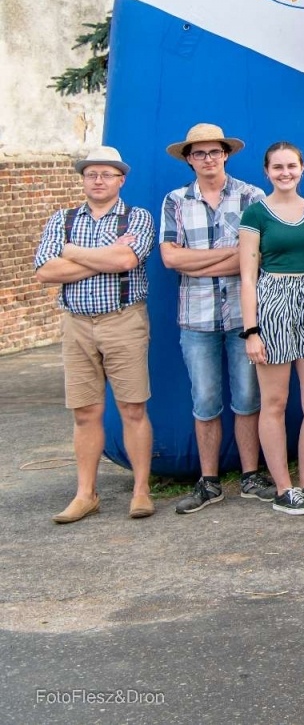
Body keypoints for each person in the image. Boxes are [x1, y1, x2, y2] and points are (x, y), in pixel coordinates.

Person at [34, 147, 156, 522]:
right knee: (85, 411)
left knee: (133, 408)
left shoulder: (137, 217)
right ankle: (85, 494)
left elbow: (127, 260)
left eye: (106, 174)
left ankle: (141, 491)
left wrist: (72, 252)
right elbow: (46, 271)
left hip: (124, 321)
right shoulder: (62, 220)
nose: (98, 180)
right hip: (76, 324)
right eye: (91, 174)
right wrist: (104, 257)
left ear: (121, 180)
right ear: (83, 180)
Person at [159, 122, 272, 512]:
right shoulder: (176, 200)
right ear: (189, 160)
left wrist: (196, 261)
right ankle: (209, 482)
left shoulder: (251, 196)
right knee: (205, 400)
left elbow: (258, 255)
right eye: (199, 153)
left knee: (248, 398)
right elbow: (170, 258)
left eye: (214, 152)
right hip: (197, 317)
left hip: (245, 317)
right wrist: (233, 255)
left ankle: (250, 476)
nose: (207, 159)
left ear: (225, 155)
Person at [238, 142, 304, 515]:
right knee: (275, 401)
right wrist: (252, 330)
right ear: (267, 172)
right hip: (273, 302)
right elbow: (248, 276)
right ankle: (284, 488)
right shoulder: (256, 213)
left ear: (302, 170)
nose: (285, 173)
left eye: (291, 166)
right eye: (278, 167)